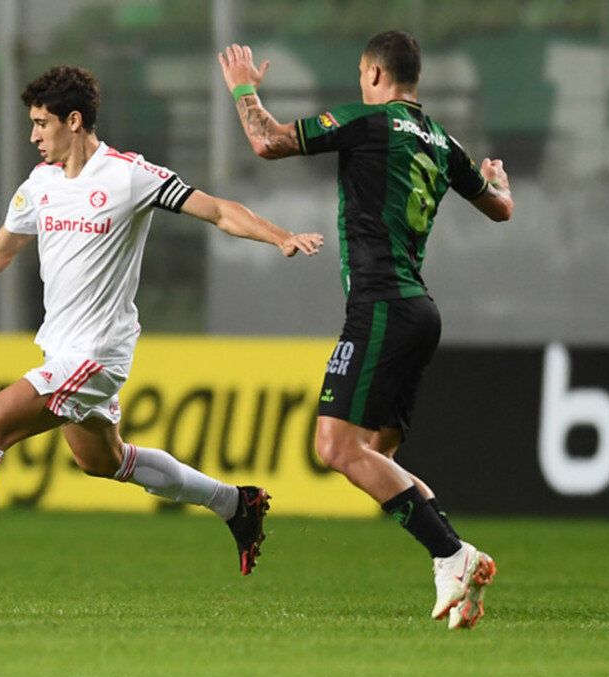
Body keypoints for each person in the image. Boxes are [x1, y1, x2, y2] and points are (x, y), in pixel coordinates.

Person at [0, 65, 324, 606]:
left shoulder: (128, 175)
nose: (34, 135)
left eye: (42, 124)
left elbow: (220, 211)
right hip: (61, 349)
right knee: (103, 461)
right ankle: (235, 504)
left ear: (74, 120)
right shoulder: (39, 185)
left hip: (97, 355)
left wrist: (280, 237)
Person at [219, 31, 514, 630]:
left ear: (376, 75)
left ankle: (451, 555)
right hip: (418, 311)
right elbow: (500, 207)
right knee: (378, 457)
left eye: (361, 74)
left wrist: (243, 88)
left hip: (380, 305)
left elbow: (265, 140)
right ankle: (459, 562)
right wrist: (497, 178)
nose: (360, 84)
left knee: (335, 447)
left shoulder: (368, 121)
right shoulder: (441, 139)